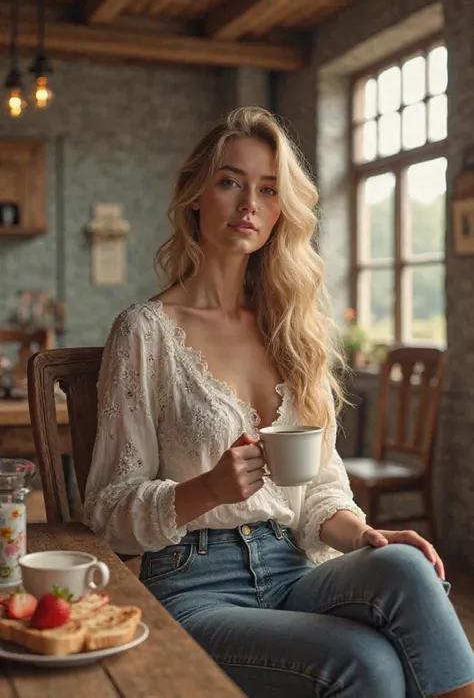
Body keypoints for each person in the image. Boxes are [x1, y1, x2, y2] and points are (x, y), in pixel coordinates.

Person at [84, 107, 474, 698]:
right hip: (195, 586)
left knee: (405, 567)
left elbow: (322, 487)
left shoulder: (292, 328)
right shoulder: (145, 332)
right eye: (230, 181)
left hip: (294, 565)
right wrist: (206, 490)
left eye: (268, 190)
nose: (249, 204)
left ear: (279, 212)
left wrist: (362, 534)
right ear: (196, 195)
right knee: (367, 664)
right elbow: (107, 509)